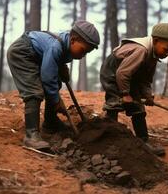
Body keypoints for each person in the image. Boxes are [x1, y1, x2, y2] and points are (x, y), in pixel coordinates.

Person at [7, 20, 100, 149]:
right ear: (73, 40)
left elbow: (56, 63)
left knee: (55, 83)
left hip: (36, 55)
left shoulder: (66, 44)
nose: (84, 55)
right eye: (83, 51)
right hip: (22, 53)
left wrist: (62, 68)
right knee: (34, 91)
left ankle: (50, 123)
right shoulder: (55, 46)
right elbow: (47, 76)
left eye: (87, 53)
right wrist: (56, 101)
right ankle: (31, 136)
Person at [100, 23, 168, 155]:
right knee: (115, 103)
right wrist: (125, 94)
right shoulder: (141, 50)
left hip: (130, 78)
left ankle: (143, 142)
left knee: (138, 109)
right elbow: (122, 73)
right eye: (167, 49)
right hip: (113, 74)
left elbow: (145, 80)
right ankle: (109, 139)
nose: (167, 54)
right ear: (155, 41)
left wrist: (148, 95)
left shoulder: (153, 56)